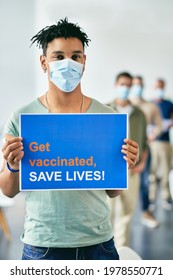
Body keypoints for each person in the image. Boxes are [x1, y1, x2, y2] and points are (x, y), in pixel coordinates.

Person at [0, 18, 139, 260]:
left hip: (98, 244)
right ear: (44, 62)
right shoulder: (22, 118)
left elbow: (113, 191)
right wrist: (12, 165)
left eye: (76, 56)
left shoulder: (107, 117)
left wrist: (124, 165)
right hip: (42, 245)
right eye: (58, 56)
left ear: (84, 62)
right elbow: (8, 190)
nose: (68, 63)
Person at [107, 72, 147, 247]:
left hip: (132, 171)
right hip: (109, 171)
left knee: (126, 213)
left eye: (128, 85)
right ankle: (104, 252)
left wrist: (142, 163)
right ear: (116, 85)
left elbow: (144, 142)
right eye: (122, 84)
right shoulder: (105, 110)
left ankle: (122, 254)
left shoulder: (139, 114)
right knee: (106, 213)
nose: (126, 88)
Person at [130, 76, 162, 228]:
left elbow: (159, 125)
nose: (137, 87)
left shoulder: (150, 107)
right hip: (124, 151)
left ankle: (145, 212)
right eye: (134, 85)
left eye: (139, 85)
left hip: (143, 149)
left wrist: (150, 137)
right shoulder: (124, 107)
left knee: (144, 182)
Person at [149, 78, 173, 210]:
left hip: (165, 142)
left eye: (161, 87)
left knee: (165, 171)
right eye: (157, 87)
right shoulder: (150, 105)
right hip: (152, 143)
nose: (159, 90)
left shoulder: (169, 104)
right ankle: (151, 198)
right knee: (151, 173)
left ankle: (166, 197)